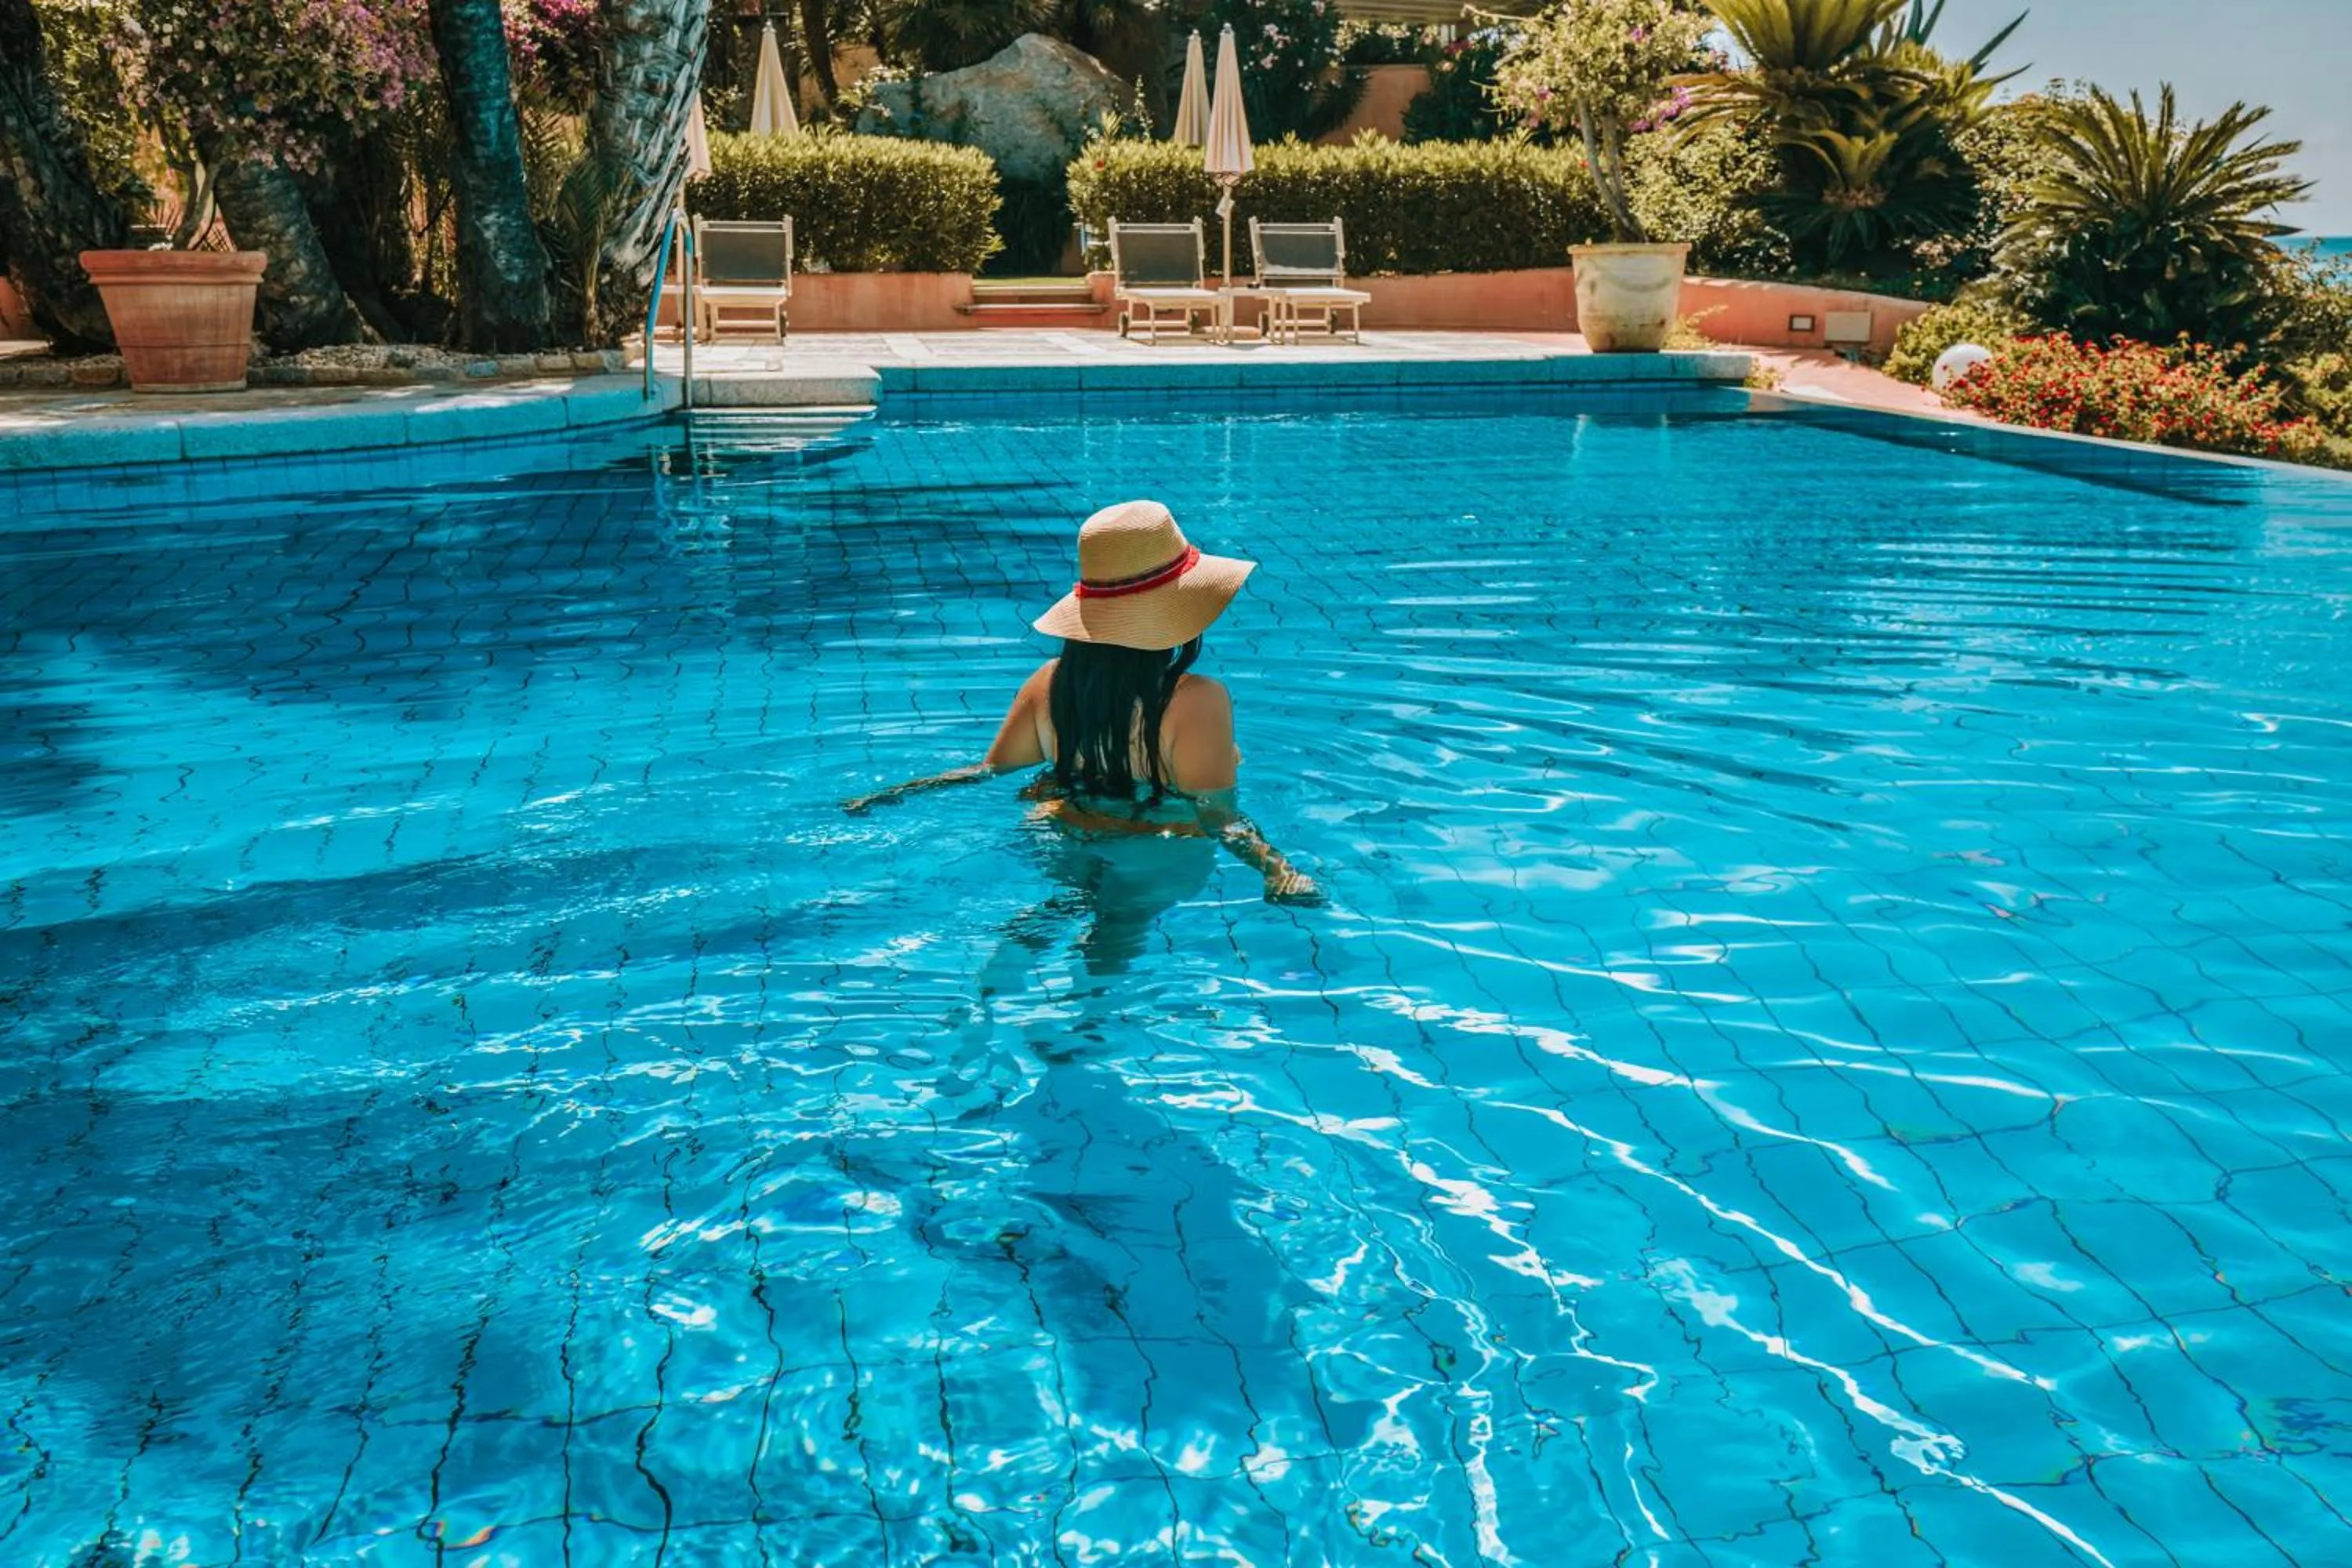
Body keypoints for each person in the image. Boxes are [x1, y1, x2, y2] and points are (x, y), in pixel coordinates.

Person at [845, 499, 1319, 905]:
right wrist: (1277, 870)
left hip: (1055, 834)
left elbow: (987, 772)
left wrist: (895, 794)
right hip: (1154, 849)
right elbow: (1218, 816)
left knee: (1058, 914)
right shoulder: (1197, 700)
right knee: (1114, 938)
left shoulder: (1049, 682)